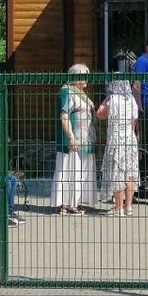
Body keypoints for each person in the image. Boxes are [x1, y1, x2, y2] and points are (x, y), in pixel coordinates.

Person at [51, 63, 97, 215]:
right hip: (73, 142)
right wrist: (71, 136)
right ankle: (67, 205)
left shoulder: (80, 94)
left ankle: (75, 202)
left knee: (80, 172)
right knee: (71, 170)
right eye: (84, 76)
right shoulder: (67, 92)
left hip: (85, 140)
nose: (87, 80)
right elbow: (64, 116)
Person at [97, 80, 140, 217]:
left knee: (117, 173)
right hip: (129, 138)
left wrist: (106, 99)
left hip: (116, 139)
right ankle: (129, 207)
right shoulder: (132, 99)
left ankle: (118, 208)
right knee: (130, 173)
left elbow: (100, 114)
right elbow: (134, 121)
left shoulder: (112, 99)